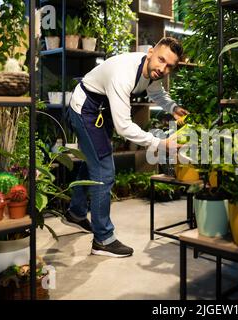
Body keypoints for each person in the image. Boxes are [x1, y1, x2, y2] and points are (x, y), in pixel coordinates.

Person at [63, 37, 188, 258]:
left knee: (96, 160)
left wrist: (173, 107)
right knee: (104, 170)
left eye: (169, 65)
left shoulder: (152, 71)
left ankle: (76, 212)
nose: (163, 68)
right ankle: (103, 239)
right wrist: (159, 143)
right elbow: (124, 127)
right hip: (85, 109)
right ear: (150, 53)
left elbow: (156, 92)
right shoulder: (124, 74)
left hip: (102, 110)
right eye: (161, 60)